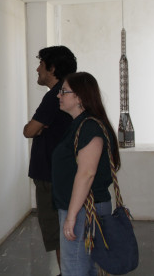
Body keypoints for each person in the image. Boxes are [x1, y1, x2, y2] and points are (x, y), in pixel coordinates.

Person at [51, 72, 120, 276]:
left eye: (64, 91)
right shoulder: (80, 124)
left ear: (80, 97)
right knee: (85, 268)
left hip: (83, 210)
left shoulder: (89, 127)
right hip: (81, 209)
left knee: (75, 268)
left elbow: (87, 173)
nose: (58, 95)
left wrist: (71, 217)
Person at [23, 45, 77, 274]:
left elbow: (28, 130)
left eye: (41, 65)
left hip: (51, 177)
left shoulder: (54, 96)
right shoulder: (70, 92)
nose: (37, 69)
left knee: (58, 233)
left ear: (52, 68)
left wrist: (37, 127)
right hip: (61, 174)